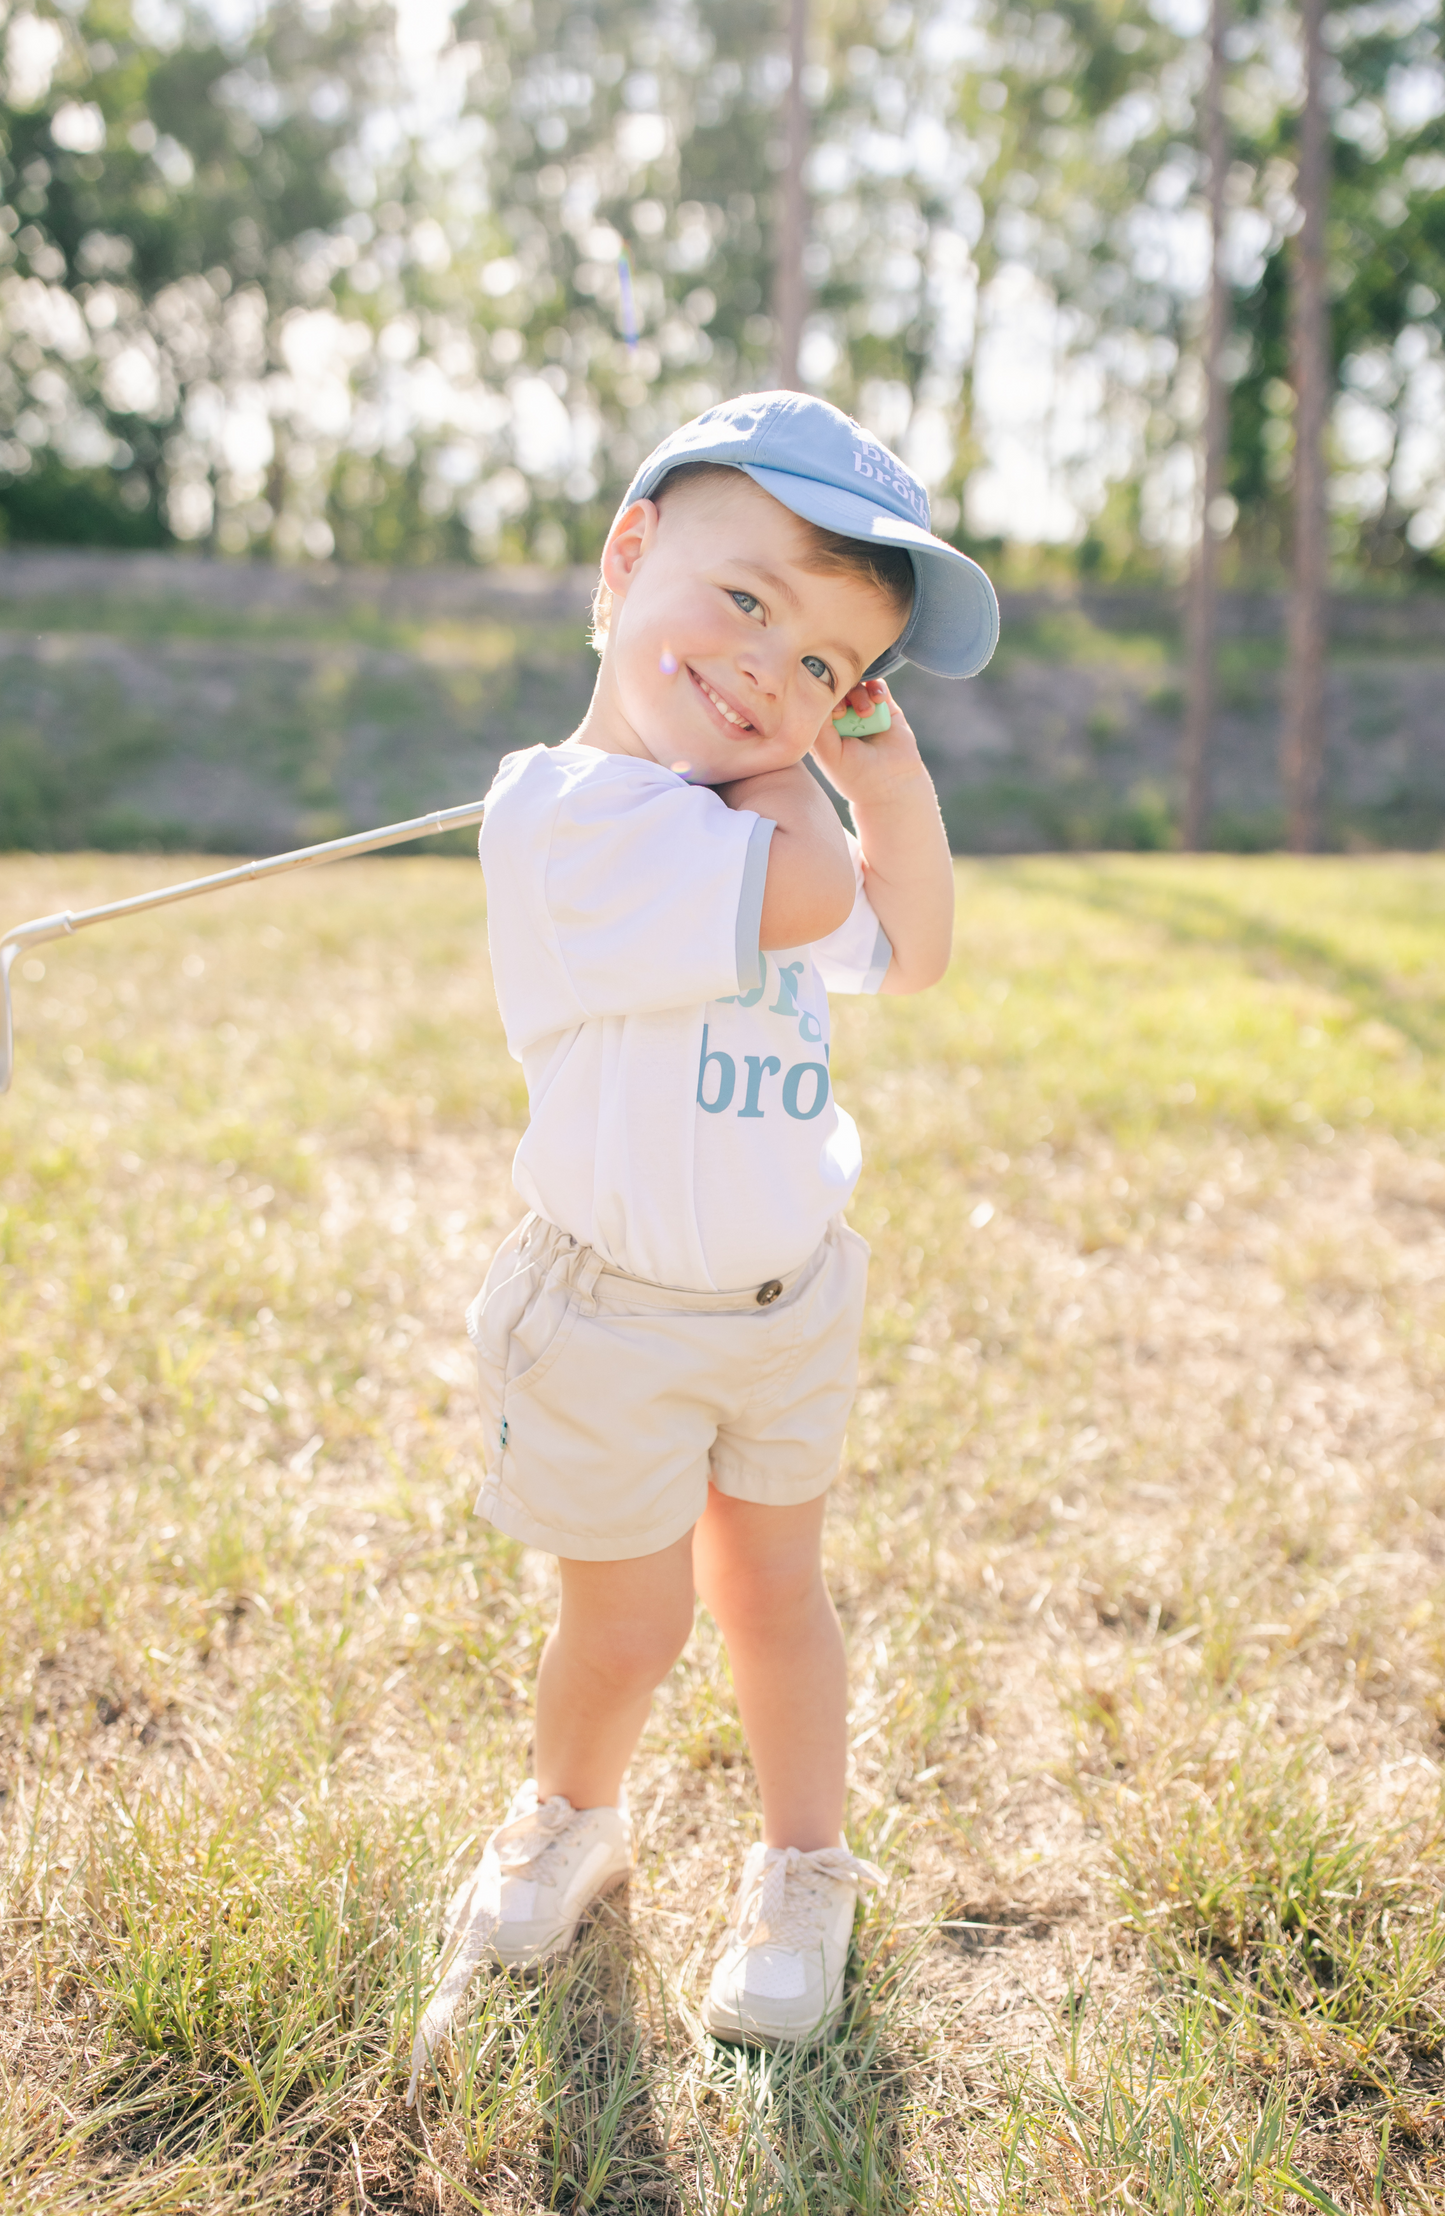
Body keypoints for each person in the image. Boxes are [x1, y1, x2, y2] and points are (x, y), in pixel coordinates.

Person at [406, 390, 997, 2098]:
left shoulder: (769, 796)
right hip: (612, 1316)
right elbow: (814, 901)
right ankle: (571, 1820)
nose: (768, 680)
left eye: (829, 667)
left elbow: (921, 940)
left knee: (778, 1602)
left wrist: (880, 760)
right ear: (626, 555)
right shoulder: (570, 810)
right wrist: (806, 759)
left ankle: (803, 1869)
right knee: (629, 1623)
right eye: (747, 605)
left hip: (784, 1298)